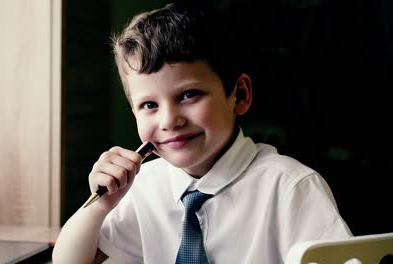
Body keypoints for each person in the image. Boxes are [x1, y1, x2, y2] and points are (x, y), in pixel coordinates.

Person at [52, 2, 352, 263]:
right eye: (149, 105)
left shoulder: (290, 187)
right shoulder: (143, 186)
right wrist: (101, 204)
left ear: (240, 95)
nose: (170, 120)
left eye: (189, 95)